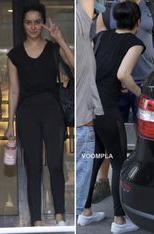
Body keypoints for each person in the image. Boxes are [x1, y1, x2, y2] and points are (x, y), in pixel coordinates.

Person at [78, 2, 145, 233]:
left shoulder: (101, 37)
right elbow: (123, 74)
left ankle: (85, 212)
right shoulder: (135, 43)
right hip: (107, 108)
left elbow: (99, 70)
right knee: (118, 161)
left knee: (96, 158)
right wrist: (141, 93)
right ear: (137, 22)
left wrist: (118, 86)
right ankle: (119, 220)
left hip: (91, 106)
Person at [4, 2, 74, 226]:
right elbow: (14, 90)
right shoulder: (14, 55)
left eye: (37, 22)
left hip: (52, 110)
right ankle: (35, 219)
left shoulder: (53, 48)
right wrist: (9, 122)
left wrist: (60, 39)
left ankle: (60, 215)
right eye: (28, 22)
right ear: (23, 25)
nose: (33, 27)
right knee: (32, 166)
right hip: (26, 113)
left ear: (42, 23)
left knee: (55, 163)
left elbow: (76, 67)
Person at [92, 0, 154, 204]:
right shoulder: (110, 9)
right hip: (117, 91)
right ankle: (114, 204)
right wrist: (141, 94)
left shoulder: (149, 6)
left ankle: (139, 181)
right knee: (112, 149)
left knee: (141, 136)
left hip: (139, 80)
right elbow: (119, 71)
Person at [76, 0, 104, 216]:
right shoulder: (82, 30)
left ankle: (83, 213)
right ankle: (79, 214)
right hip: (82, 121)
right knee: (79, 179)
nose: (94, 17)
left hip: (80, 118)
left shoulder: (85, 41)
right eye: (94, 13)